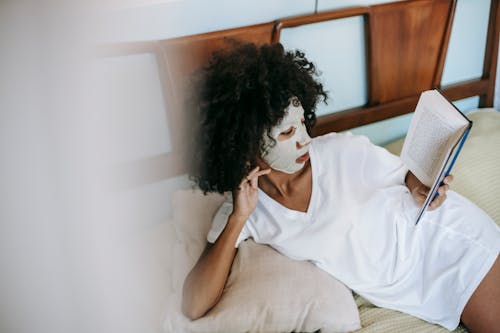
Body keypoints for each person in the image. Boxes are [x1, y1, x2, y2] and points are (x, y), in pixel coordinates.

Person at [182, 42, 500, 332]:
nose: (305, 139)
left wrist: (421, 187)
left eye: (303, 123)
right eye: (287, 132)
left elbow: (406, 177)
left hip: (450, 244)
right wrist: (239, 217)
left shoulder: (339, 149)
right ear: (246, 144)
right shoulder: (247, 208)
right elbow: (194, 304)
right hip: (418, 289)